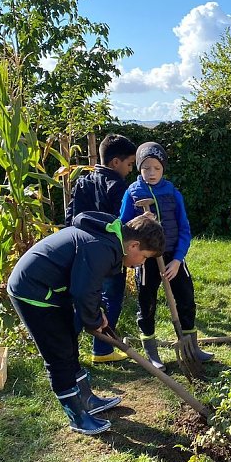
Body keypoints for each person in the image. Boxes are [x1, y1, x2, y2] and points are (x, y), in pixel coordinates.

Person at [7, 212, 165, 435]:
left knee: (70, 344)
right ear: (134, 246)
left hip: (53, 290)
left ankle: (87, 400)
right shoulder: (102, 247)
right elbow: (83, 292)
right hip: (33, 292)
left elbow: (88, 284)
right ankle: (77, 417)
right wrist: (92, 320)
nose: (142, 263)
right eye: (145, 257)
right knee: (58, 354)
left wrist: (97, 313)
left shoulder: (109, 240)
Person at [120, 142, 213, 370]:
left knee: (186, 299)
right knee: (147, 302)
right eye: (146, 168)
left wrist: (178, 260)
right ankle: (152, 353)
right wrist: (142, 222)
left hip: (172, 256)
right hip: (146, 258)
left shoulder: (172, 193)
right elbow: (123, 227)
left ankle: (192, 346)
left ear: (163, 169)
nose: (151, 173)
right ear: (139, 169)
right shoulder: (133, 193)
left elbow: (184, 229)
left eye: (157, 168)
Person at [65, 133, 137, 364]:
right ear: (115, 162)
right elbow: (124, 223)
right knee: (112, 298)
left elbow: (70, 216)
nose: (130, 170)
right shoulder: (117, 186)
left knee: (83, 299)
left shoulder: (83, 181)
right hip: (109, 255)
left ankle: (67, 352)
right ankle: (102, 349)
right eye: (129, 164)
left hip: (81, 252)